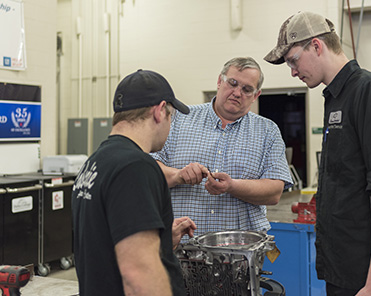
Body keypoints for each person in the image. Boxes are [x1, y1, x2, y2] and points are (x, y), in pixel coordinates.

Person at [264, 11, 371, 296]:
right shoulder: (335, 99)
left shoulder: (370, 91)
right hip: (344, 270)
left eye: (294, 60)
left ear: (317, 46)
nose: (293, 72)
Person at [72, 69, 197, 296]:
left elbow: (106, 242)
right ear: (159, 112)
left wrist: (159, 238)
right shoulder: (136, 166)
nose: (170, 126)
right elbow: (138, 273)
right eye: (171, 117)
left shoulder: (96, 162)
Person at [151, 57, 293, 240]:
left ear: (256, 96)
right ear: (219, 81)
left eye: (247, 89)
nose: (237, 92)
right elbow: (149, 170)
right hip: (181, 246)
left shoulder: (267, 131)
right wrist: (178, 175)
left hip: (240, 252)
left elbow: (274, 192)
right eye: (232, 83)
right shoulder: (179, 119)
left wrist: (233, 186)